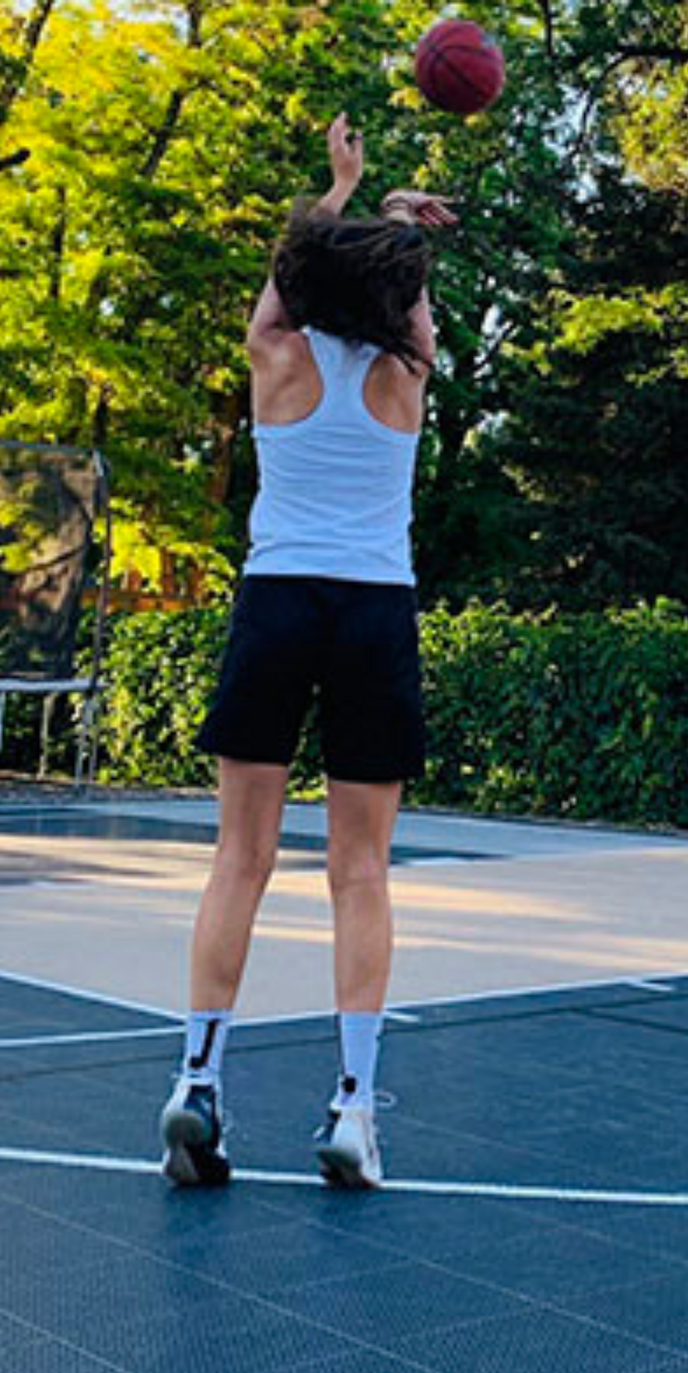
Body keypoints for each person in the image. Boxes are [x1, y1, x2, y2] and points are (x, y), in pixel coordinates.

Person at [158, 114, 455, 1189]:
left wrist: (343, 190)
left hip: (276, 602)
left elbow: (291, 273)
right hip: (372, 611)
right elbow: (401, 290)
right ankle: (351, 1108)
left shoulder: (274, 355)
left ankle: (197, 1081)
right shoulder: (406, 369)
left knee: (240, 857)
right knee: (359, 871)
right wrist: (392, 222)